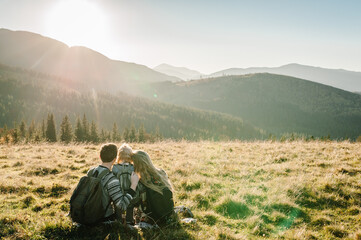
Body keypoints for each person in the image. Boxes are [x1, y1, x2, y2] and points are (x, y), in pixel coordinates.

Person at [118, 144, 174, 225]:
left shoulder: (141, 181)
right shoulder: (161, 172)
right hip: (168, 211)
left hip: (154, 217)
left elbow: (133, 201)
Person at [83, 143, 139, 223]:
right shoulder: (111, 179)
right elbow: (122, 205)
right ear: (114, 159)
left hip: (85, 212)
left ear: (100, 156)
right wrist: (133, 185)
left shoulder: (91, 171)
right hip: (101, 217)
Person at [112, 143, 144, 226]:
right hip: (131, 193)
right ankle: (129, 221)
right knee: (130, 206)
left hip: (118, 194)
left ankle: (118, 220)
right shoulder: (133, 167)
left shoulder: (115, 167)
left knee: (117, 207)